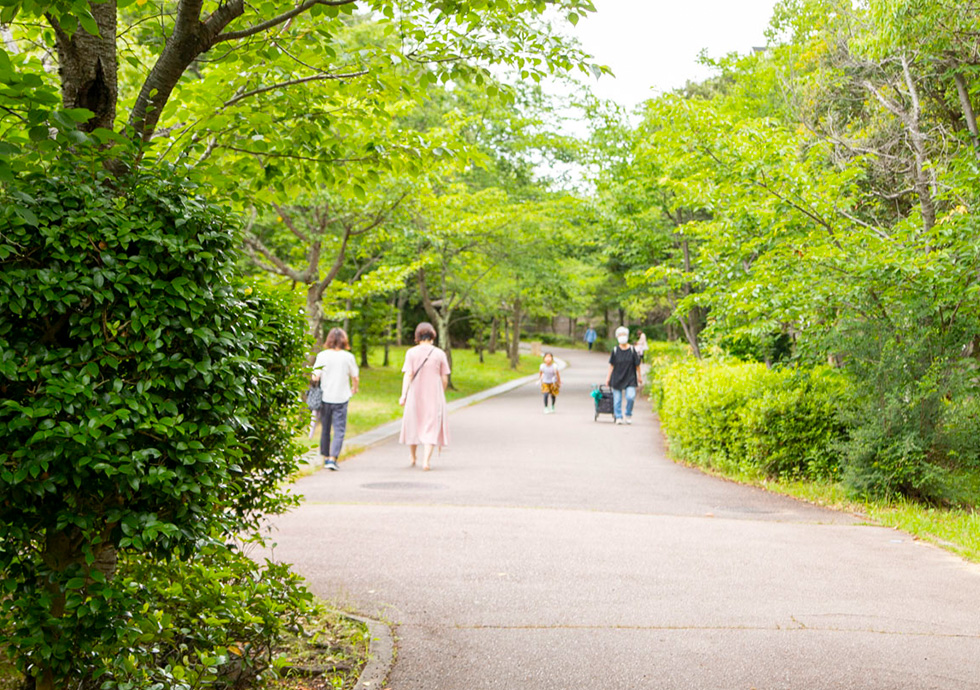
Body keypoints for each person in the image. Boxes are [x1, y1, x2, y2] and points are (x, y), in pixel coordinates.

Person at [399, 322, 450, 470]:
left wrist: (403, 394)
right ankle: (426, 461)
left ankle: (413, 456)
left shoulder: (411, 353)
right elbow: (445, 378)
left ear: (418, 336)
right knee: (431, 426)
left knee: (413, 423)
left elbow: (408, 374)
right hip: (434, 394)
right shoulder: (440, 354)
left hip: (415, 394)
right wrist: (442, 391)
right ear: (432, 336)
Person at [311, 327, 359, 470]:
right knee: (339, 429)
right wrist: (354, 388)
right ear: (344, 340)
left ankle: (326, 457)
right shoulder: (348, 356)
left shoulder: (323, 355)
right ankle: (333, 458)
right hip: (342, 397)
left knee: (325, 428)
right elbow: (355, 376)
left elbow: (315, 376)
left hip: (326, 397)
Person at [606, 326, 642, 425]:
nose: (622, 337)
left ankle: (628, 414)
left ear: (627, 336)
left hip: (630, 377)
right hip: (617, 377)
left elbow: (637, 364)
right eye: (620, 335)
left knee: (631, 397)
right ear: (617, 337)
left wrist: (639, 376)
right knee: (617, 399)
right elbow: (611, 365)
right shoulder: (615, 350)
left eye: (624, 335)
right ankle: (618, 417)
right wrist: (608, 378)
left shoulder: (632, 349)